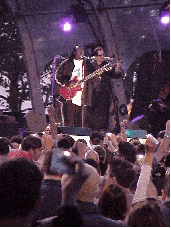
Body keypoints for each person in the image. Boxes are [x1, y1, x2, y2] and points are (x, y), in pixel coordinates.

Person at [55, 45, 95, 127]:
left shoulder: (87, 64)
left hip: (82, 95)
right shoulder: (67, 63)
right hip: (69, 94)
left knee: (80, 122)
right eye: (79, 51)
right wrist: (67, 83)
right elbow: (58, 76)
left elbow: (94, 77)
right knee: (68, 120)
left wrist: (98, 75)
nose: (81, 52)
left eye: (82, 50)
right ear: (74, 52)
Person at [91, 47, 128, 132]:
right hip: (94, 93)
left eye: (103, 55)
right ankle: (94, 130)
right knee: (94, 112)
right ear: (96, 56)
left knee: (105, 112)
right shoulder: (92, 66)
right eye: (100, 55)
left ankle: (104, 130)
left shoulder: (106, 65)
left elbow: (115, 75)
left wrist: (117, 68)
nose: (102, 57)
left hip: (105, 92)